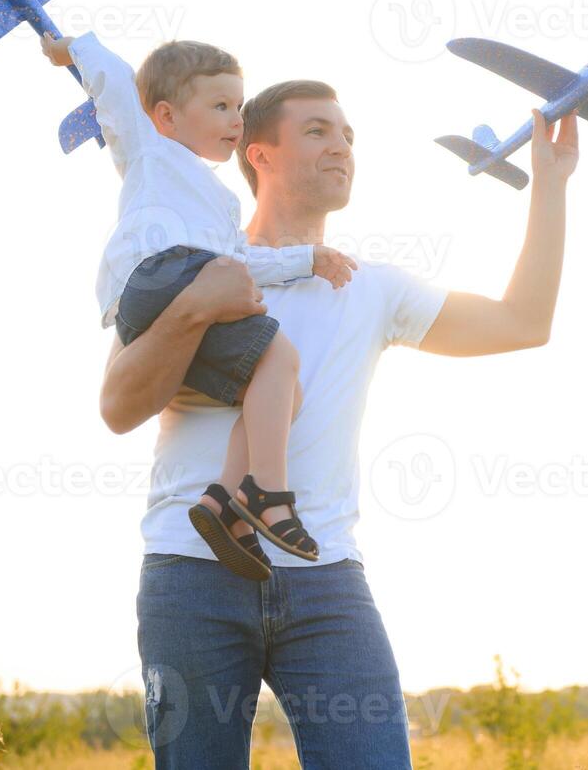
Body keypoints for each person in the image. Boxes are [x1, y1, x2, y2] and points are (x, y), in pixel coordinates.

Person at [101, 72, 579, 768]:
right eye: (318, 131)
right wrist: (196, 303)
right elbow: (117, 407)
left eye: (348, 135)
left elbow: (522, 323)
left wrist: (551, 184)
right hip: (191, 569)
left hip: (323, 577)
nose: (342, 147)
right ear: (257, 153)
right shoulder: (187, 262)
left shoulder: (370, 286)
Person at [43, 31, 358, 580]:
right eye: (219, 106)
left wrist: (307, 259)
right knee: (280, 359)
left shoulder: (220, 198)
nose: (235, 119)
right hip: (160, 275)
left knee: (280, 389)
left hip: (186, 279)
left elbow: (238, 263)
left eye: (238, 106)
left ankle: (224, 503)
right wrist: (76, 49)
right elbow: (117, 88)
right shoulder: (150, 151)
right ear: (165, 115)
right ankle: (267, 494)